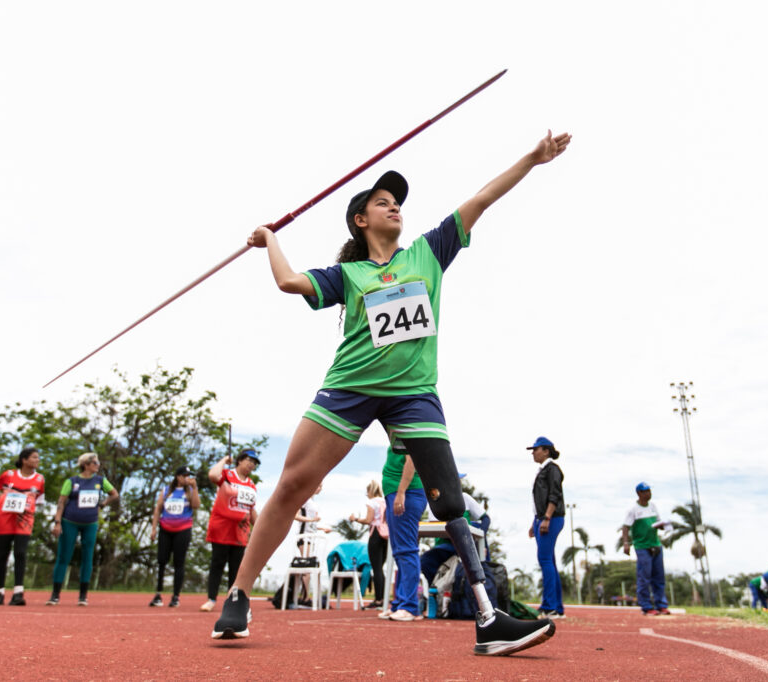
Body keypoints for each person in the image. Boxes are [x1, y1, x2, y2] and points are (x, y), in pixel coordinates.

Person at [211, 130, 571, 656]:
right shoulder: (349, 274)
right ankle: (239, 595)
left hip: (414, 392)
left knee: (451, 501)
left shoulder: (428, 252)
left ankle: (489, 619)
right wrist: (270, 240)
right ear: (361, 219)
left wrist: (533, 159)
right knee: (292, 485)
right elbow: (289, 282)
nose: (395, 207)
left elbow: (482, 198)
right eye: (383, 202)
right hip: (351, 387)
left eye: (398, 202)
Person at [47, 452, 119, 606]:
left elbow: (114, 494)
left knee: (88, 557)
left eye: (98, 463)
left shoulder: (101, 481)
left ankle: (83, 596)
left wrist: (102, 504)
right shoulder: (72, 481)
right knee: (64, 556)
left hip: (90, 523)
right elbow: (61, 501)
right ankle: (55, 594)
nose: (98, 466)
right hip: (70, 522)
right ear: (86, 464)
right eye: (95, 463)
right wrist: (57, 522)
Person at [200, 448, 260, 612]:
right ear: (240, 460)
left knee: (236, 568)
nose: (251, 465)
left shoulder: (251, 485)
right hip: (221, 529)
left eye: (254, 463)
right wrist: (224, 460)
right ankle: (211, 599)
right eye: (249, 460)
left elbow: (251, 510)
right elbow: (212, 475)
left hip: (240, 532)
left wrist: (260, 529)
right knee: (217, 564)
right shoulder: (228, 475)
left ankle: (231, 600)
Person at [0, 447, 45, 606]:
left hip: (24, 521)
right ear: (24, 460)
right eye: (34, 457)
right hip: (4, 519)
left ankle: (18, 593)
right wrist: (2, 499)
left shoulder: (40, 479)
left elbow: (39, 500)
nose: (37, 460)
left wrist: (26, 506)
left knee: (20, 553)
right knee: (2, 554)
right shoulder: (8, 475)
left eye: (38, 458)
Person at [379, 447, 427, 622]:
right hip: (396, 493)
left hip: (407, 492)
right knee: (400, 552)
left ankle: (410, 606)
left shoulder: (407, 427)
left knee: (406, 550)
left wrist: (401, 493)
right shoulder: (396, 433)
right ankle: (400, 604)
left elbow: (411, 460)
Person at [148, 465, 201, 608]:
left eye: (189, 476)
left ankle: (176, 596)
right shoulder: (166, 491)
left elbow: (196, 505)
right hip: (165, 529)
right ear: (178, 476)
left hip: (183, 530)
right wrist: (153, 528)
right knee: (161, 561)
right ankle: (158, 594)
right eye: (185, 475)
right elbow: (158, 508)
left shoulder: (190, 491)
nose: (187, 478)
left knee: (179, 562)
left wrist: (195, 488)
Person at [527, 437, 565, 619]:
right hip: (541, 518)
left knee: (545, 560)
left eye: (536, 449)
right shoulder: (542, 470)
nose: (533, 453)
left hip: (551, 518)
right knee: (549, 560)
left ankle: (549, 606)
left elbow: (554, 494)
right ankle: (557, 607)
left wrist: (547, 517)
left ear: (546, 451)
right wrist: (534, 522)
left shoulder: (552, 469)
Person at [621, 482, 670, 615]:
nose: (649, 493)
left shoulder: (653, 506)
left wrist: (664, 525)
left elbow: (657, 523)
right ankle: (647, 607)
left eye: (649, 490)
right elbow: (625, 527)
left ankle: (661, 605)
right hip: (642, 546)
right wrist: (626, 543)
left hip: (656, 544)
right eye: (645, 491)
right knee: (644, 577)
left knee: (659, 577)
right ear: (639, 493)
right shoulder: (633, 510)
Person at [349, 480, 390, 609]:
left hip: (376, 534)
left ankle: (378, 599)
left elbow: (368, 520)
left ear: (370, 491)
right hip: (387, 534)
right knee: (381, 568)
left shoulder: (371, 502)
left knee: (376, 568)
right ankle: (383, 597)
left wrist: (355, 519)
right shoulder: (385, 501)